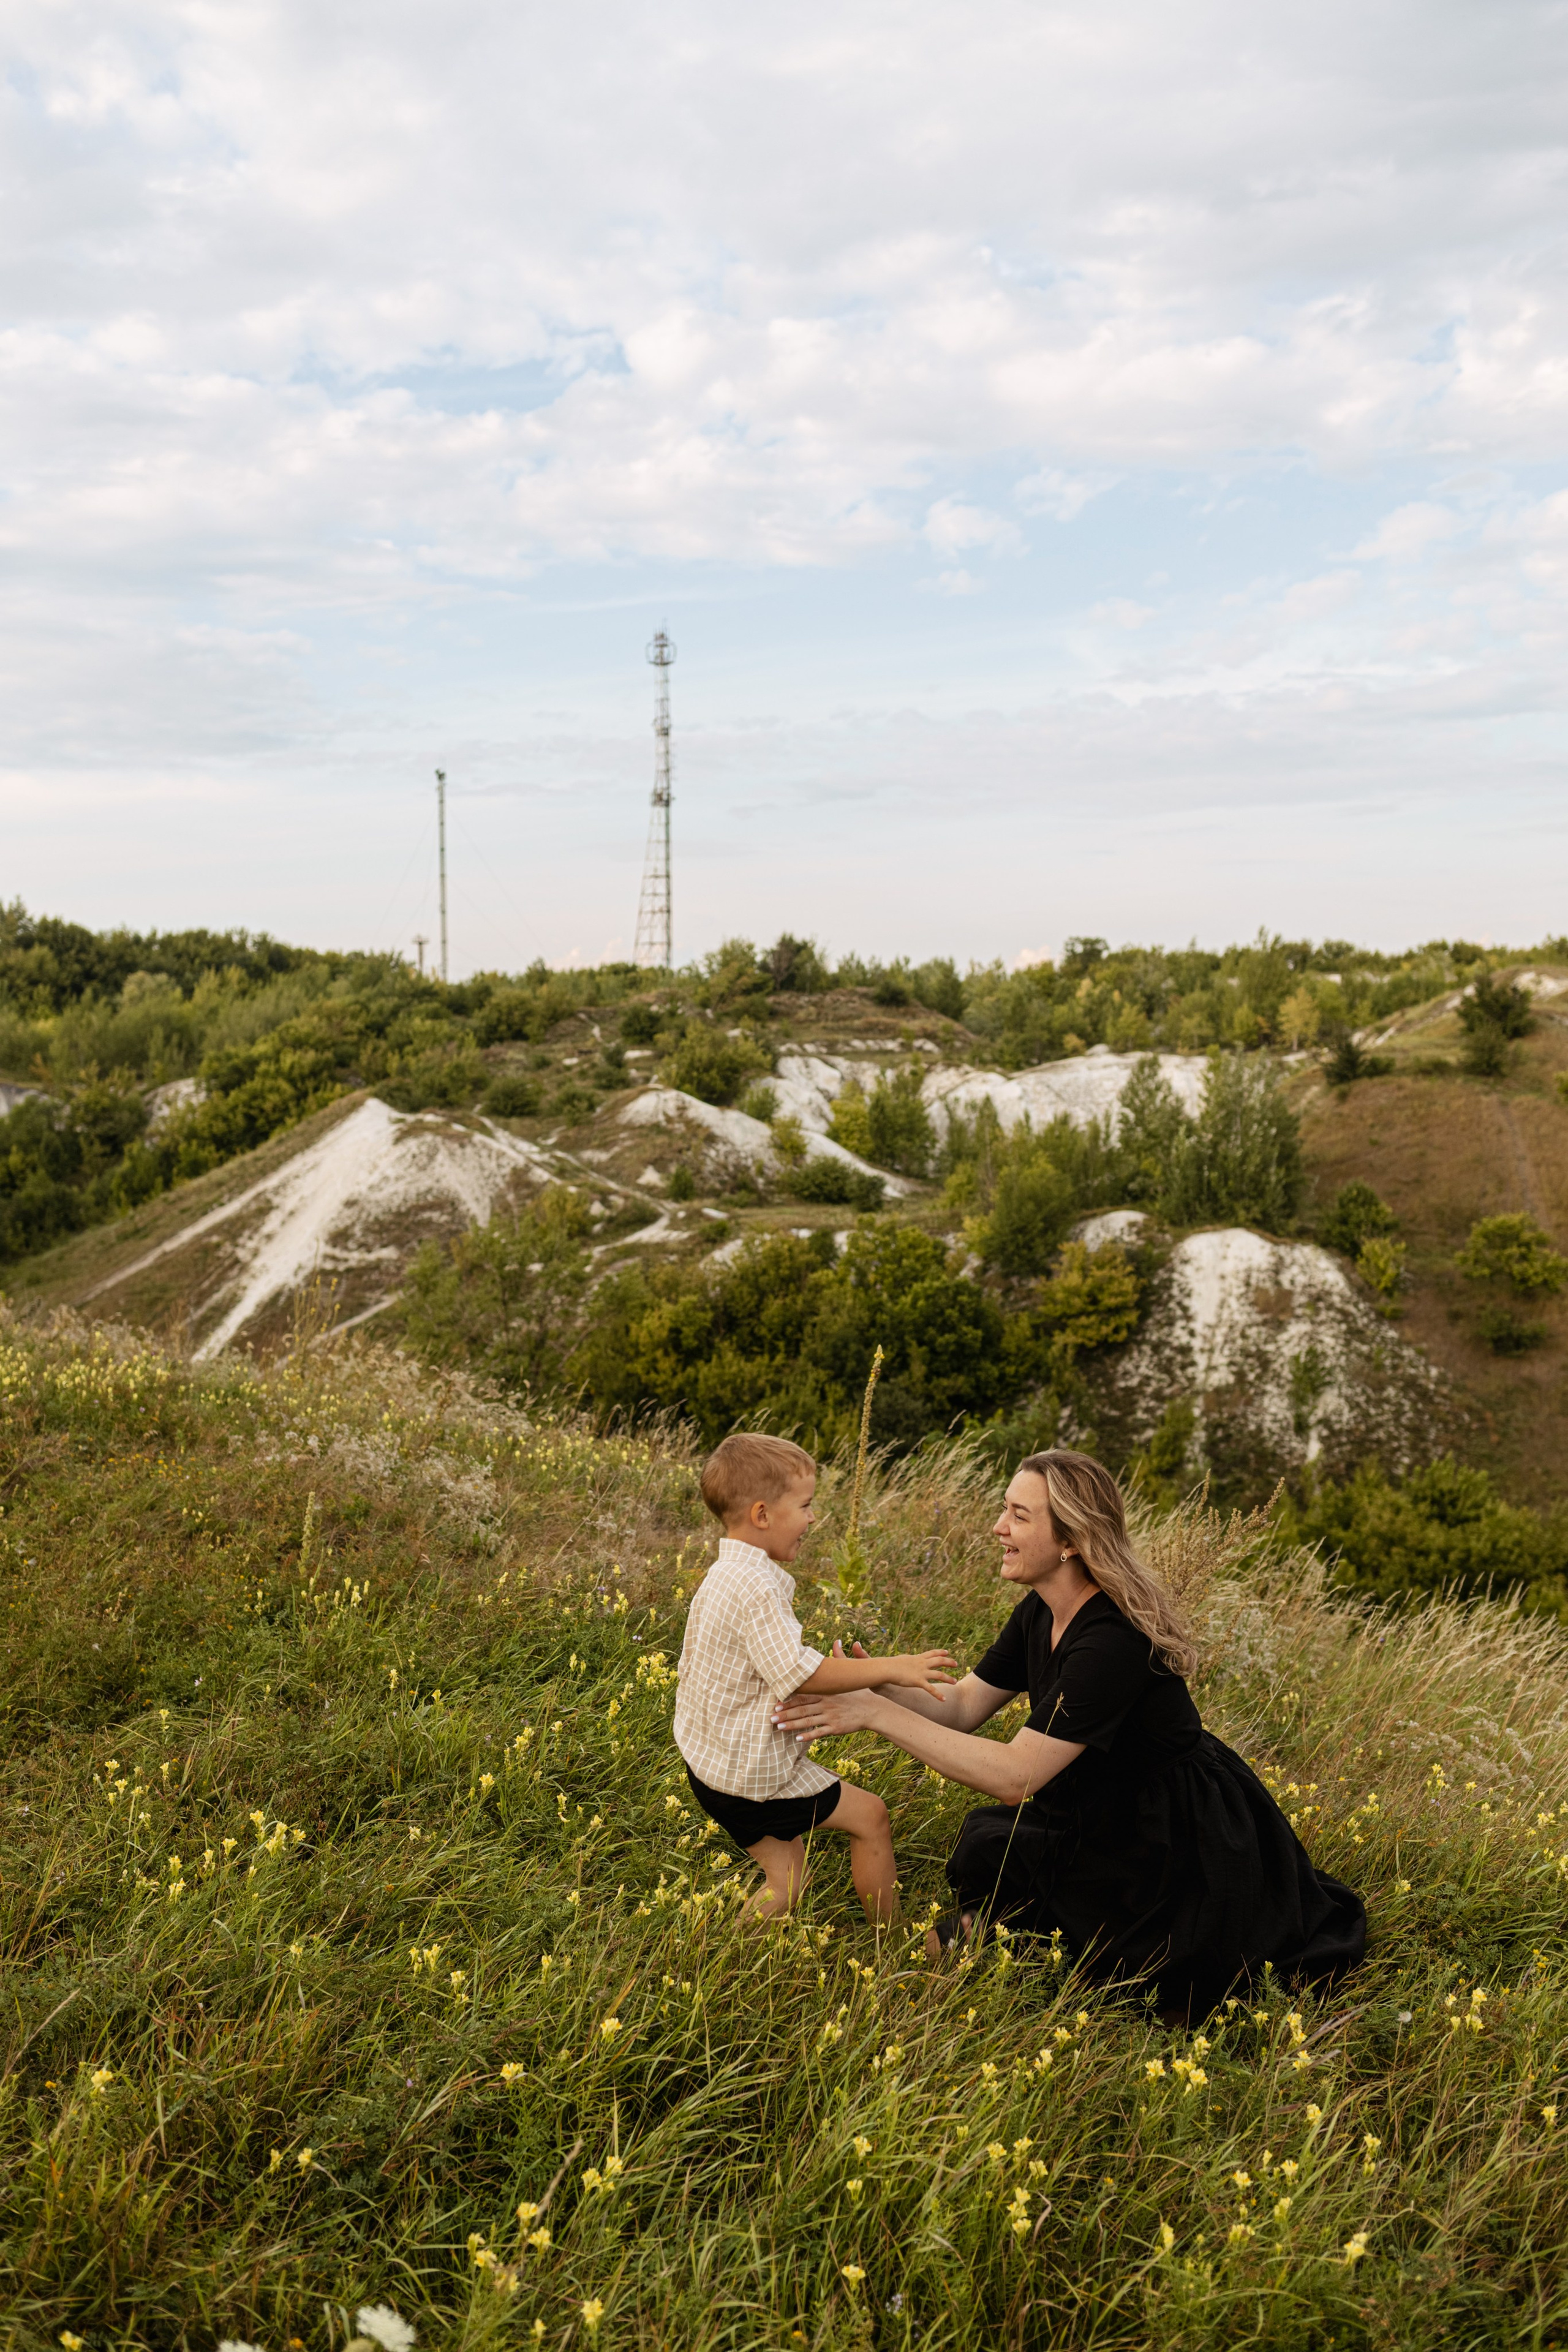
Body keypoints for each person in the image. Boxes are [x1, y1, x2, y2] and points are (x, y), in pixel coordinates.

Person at [774, 1448, 1365, 2017]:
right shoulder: (1042, 1608)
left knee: (1103, 1952)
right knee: (990, 1859)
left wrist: (874, 1714)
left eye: (1019, 1515)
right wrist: (874, 1682)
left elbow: (1015, 1778)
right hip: (1101, 1806)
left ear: (1071, 1542)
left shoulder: (1111, 1641)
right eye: (1005, 1508)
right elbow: (961, 1707)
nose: (998, 1527)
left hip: (1170, 1835)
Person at [673, 1431, 959, 1924]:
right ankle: (891, 1947)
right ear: (763, 1515)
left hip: (712, 1770)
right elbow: (801, 1674)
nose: (812, 1519)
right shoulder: (755, 1588)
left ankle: (726, 1950)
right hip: (749, 1777)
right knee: (871, 1817)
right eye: (805, 1506)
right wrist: (895, 1667)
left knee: (787, 1880)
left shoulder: (724, 1575)